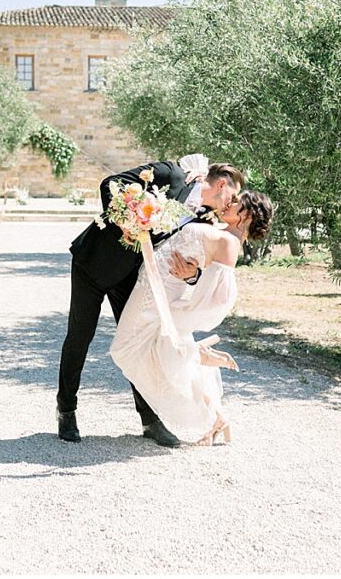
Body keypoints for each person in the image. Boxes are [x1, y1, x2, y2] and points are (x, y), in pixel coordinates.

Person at [57, 159, 245, 446]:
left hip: (133, 276)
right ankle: (66, 411)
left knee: (141, 341)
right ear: (222, 184)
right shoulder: (171, 174)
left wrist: (193, 275)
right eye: (233, 196)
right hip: (93, 264)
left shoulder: (206, 217)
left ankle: (150, 420)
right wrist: (124, 217)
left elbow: (195, 258)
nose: (231, 204)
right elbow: (111, 184)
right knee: (80, 336)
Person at [109, 190, 275, 445]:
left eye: (237, 202)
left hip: (157, 297)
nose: (230, 203)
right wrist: (190, 274)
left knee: (124, 350)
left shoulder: (229, 243)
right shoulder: (221, 229)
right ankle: (216, 417)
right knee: (156, 356)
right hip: (152, 286)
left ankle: (195, 354)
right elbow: (196, 268)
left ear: (248, 214)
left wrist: (181, 316)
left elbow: (218, 298)